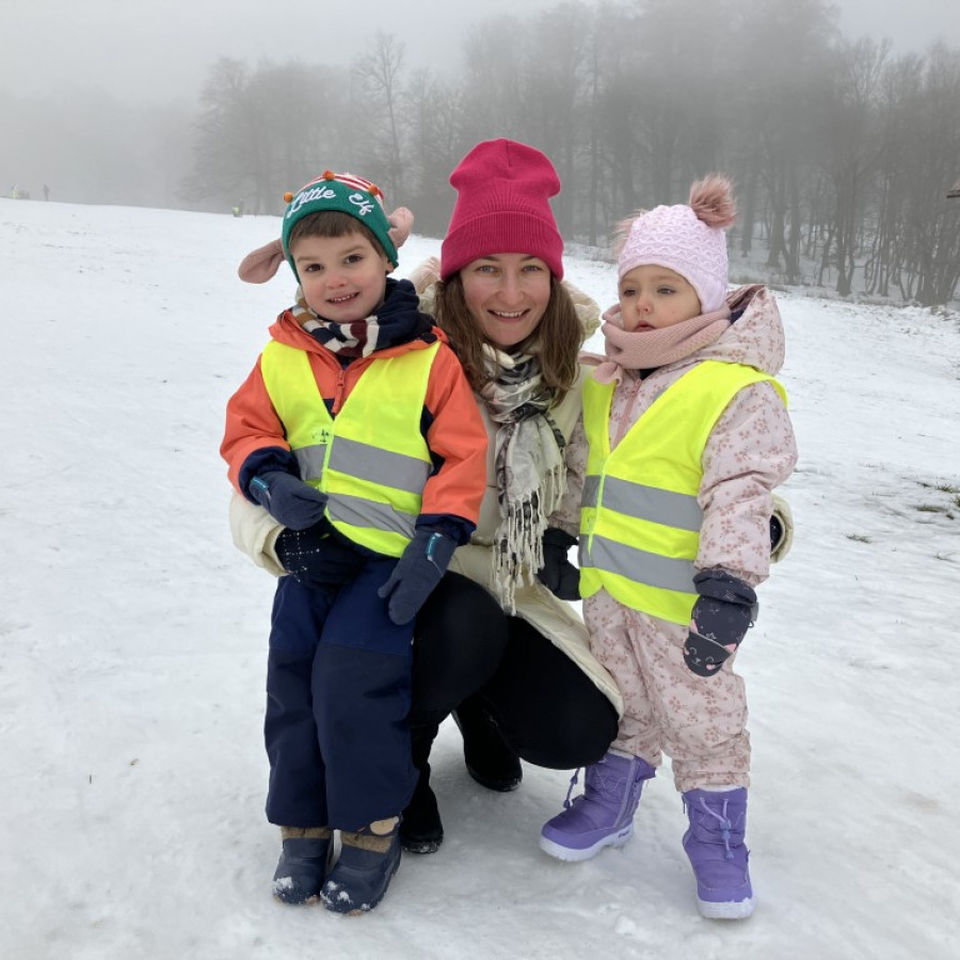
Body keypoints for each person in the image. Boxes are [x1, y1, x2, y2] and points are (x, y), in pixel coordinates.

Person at [229, 139, 625, 858]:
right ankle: (400, 760)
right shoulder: (392, 347)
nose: (510, 294)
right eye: (487, 270)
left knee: (577, 724)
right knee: (459, 621)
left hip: (511, 585)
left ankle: (479, 709)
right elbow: (288, 451)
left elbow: (654, 467)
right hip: (404, 575)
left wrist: (759, 528)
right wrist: (277, 535)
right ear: (454, 273)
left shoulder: (581, 375)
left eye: (529, 269)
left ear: (553, 274)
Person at [220, 170, 488, 914]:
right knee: (294, 684)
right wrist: (269, 484)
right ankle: (301, 824)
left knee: (354, 685)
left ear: (385, 259)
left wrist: (436, 541)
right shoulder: (280, 354)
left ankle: (372, 828)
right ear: (293, 271)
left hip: (386, 565)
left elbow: (463, 457)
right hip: (309, 559)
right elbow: (248, 431)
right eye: (314, 265)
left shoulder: (428, 358)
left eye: (351, 259)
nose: (334, 281)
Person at [537, 175, 798, 920]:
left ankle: (717, 843)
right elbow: (584, 465)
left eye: (666, 288)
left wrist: (730, 586)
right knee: (625, 707)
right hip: (611, 594)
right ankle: (610, 806)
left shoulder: (732, 390)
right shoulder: (608, 378)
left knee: (704, 721)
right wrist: (561, 529)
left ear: (707, 298)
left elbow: (741, 493)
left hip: (688, 607)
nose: (643, 304)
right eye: (632, 287)